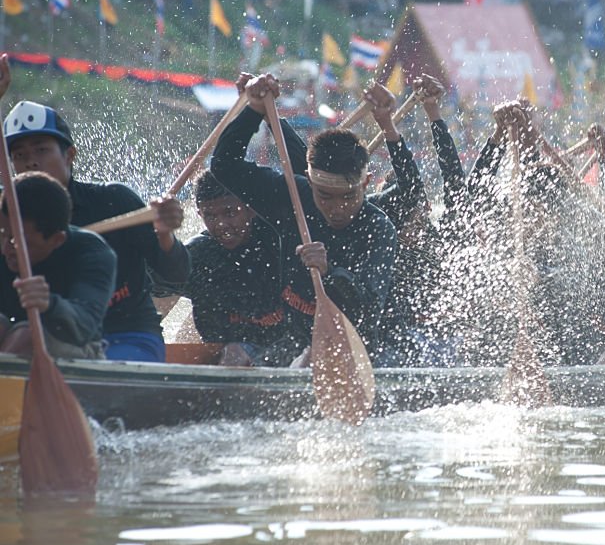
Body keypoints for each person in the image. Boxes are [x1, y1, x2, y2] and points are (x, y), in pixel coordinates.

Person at [0, 55, 189, 362]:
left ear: (70, 155)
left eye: (42, 151)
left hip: (125, 333)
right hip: (46, 335)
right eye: (20, 156)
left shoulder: (115, 201)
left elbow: (176, 276)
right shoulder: (6, 214)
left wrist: (165, 235)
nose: (31, 162)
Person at [210, 73, 397, 364]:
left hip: (355, 345)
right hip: (292, 338)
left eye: (348, 196)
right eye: (325, 196)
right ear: (310, 184)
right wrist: (255, 111)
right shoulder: (293, 196)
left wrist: (330, 272)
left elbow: (369, 312)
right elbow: (224, 166)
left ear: (365, 184)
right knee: (236, 357)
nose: (337, 207)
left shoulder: (377, 227)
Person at [157, 170, 292, 366]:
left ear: (250, 209)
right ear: (199, 214)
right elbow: (155, 300)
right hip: (221, 347)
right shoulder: (197, 253)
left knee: (234, 353)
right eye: (210, 215)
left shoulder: (280, 243)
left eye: (230, 213)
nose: (221, 225)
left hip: (282, 347)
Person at [0, 172, 116, 359]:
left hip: (77, 349)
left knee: (25, 335)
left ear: (56, 240)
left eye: (17, 242)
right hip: (11, 337)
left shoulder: (93, 252)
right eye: (2, 235)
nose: (5, 249)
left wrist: (50, 305)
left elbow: (84, 327)